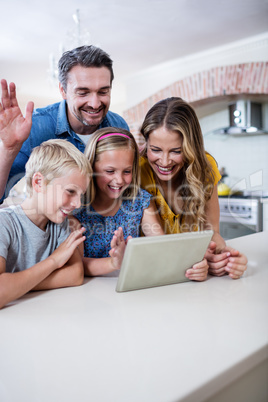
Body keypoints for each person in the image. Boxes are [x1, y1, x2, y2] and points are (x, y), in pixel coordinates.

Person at [70, 127, 209, 281]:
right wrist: (114, 263)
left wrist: (194, 266)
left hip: (131, 286)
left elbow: (161, 247)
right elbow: (76, 265)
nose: (119, 180)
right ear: (91, 168)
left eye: (127, 171)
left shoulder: (139, 201)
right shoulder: (76, 206)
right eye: (110, 171)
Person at [0, 45, 129, 202]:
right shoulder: (36, 127)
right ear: (63, 90)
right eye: (83, 93)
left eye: (103, 92)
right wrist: (8, 149)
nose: (95, 104)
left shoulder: (118, 126)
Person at [139, 97, 248, 279]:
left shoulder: (205, 168)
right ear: (146, 144)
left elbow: (212, 233)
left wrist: (225, 258)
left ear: (191, 148)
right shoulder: (138, 170)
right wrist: (192, 260)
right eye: (155, 149)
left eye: (176, 151)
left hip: (191, 278)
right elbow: (155, 244)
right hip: (150, 275)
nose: (164, 162)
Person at [0, 139, 92, 309]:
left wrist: (16, 285)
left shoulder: (59, 223)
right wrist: (54, 261)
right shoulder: (4, 223)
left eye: (81, 194)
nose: (78, 204)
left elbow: (75, 274)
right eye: (71, 191)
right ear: (38, 183)